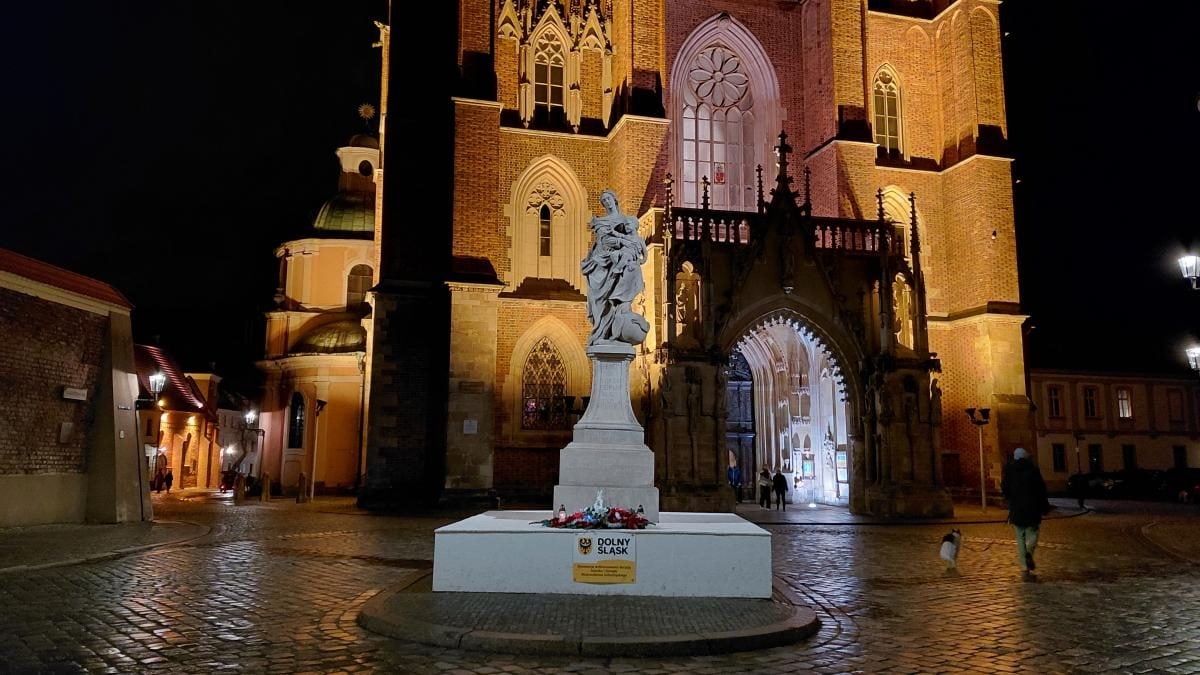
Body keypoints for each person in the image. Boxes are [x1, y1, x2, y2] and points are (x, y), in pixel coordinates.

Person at [581, 189, 649, 346]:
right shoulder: (601, 221)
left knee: (617, 297)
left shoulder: (625, 221)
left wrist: (632, 253)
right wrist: (620, 242)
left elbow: (635, 242)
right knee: (597, 299)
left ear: (615, 200)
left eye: (608, 199)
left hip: (618, 262)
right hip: (601, 261)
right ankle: (600, 331)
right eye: (604, 201)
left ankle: (612, 330)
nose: (607, 202)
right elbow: (603, 241)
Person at [1001, 447, 1048, 582]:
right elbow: (1041, 490)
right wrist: (1044, 506)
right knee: (1033, 533)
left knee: (1020, 537)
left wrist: (1009, 499)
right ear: (1026, 456)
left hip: (1017, 509)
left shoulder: (1009, 470)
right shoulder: (1033, 470)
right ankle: (1029, 551)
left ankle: (1024, 567)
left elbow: (1005, 488)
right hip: (1032, 508)